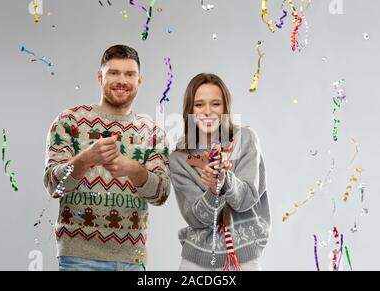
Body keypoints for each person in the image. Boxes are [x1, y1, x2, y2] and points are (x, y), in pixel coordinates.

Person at [43, 44, 171, 271]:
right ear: (100, 77)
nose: (122, 80)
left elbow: (161, 195)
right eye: (113, 72)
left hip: (133, 260)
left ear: (139, 81)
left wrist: (133, 170)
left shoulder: (152, 133)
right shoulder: (69, 122)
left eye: (129, 74)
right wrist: (84, 160)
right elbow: (55, 187)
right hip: (78, 259)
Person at [169, 73, 270, 271]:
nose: (207, 111)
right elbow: (195, 219)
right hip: (196, 261)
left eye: (215, 104)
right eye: (199, 104)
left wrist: (225, 182)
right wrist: (213, 191)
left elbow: (247, 199)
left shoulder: (245, 138)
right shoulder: (179, 158)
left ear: (225, 108)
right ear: (189, 110)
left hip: (244, 258)